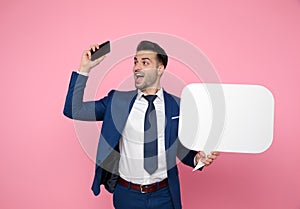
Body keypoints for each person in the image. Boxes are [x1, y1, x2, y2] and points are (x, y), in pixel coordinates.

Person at [63, 40, 219, 209]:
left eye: (145, 62)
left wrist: (198, 158)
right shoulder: (117, 102)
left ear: (160, 69)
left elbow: (179, 146)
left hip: (164, 195)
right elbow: (74, 110)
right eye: (135, 62)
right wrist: (85, 68)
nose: (137, 67)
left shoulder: (178, 106)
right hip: (127, 195)